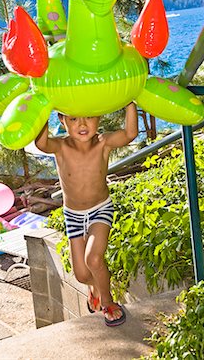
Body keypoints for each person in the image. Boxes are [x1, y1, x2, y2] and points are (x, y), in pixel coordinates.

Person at [35, 103, 138, 326]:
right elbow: (41, 143)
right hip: (73, 215)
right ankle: (95, 287)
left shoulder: (103, 143)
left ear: (99, 117)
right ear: (62, 120)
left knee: (93, 258)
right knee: (81, 275)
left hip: (100, 209)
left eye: (89, 116)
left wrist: (130, 101)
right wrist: (43, 106)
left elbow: (130, 134)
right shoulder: (60, 146)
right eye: (73, 119)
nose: (82, 124)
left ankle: (108, 302)